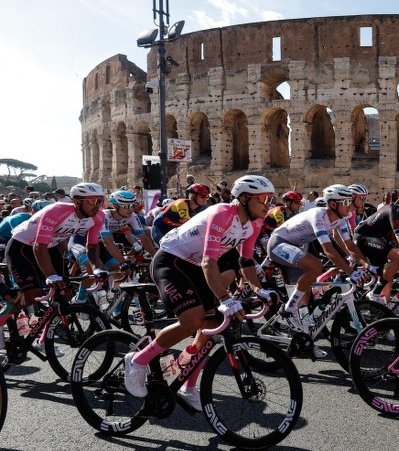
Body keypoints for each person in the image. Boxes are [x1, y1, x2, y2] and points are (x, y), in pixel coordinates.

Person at [122, 175, 278, 409]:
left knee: (215, 322)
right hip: (171, 261)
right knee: (193, 320)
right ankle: (137, 360)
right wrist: (225, 298)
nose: (268, 204)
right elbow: (209, 262)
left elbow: (246, 262)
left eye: (271, 199)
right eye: (264, 199)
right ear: (244, 198)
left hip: (194, 266)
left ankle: (188, 385)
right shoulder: (222, 213)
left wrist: (260, 290)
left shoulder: (255, 222)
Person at [268, 184, 367, 355]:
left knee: (306, 297)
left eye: (350, 201)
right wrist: (352, 272)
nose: (350, 206)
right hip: (278, 243)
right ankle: (289, 308)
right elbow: (328, 251)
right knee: (316, 265)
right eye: (346, 202)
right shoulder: (319, 216)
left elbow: (349, 245)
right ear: (333, 204)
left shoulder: (341, 218)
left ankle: (306, 342)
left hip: (295, 247)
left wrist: (366, 265)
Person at [4, 183, 108, 318]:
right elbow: (39, 246)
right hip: (22, 247)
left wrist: (97, 268)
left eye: (100, 201)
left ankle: (51, 326)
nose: (97, 206)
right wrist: (51, 275)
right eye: (93, 201)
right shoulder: (56, 211)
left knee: (66, 292)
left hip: (50, 247)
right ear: (76, 201)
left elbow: (92, 246)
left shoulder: (98, 216)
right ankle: (4, 320)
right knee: (34, 295)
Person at [354, 187, 399, 303]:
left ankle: (382, 307)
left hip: (376, 239)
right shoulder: (394, 212)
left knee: (388, 276)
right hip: (363, 237)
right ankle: (375, 293)